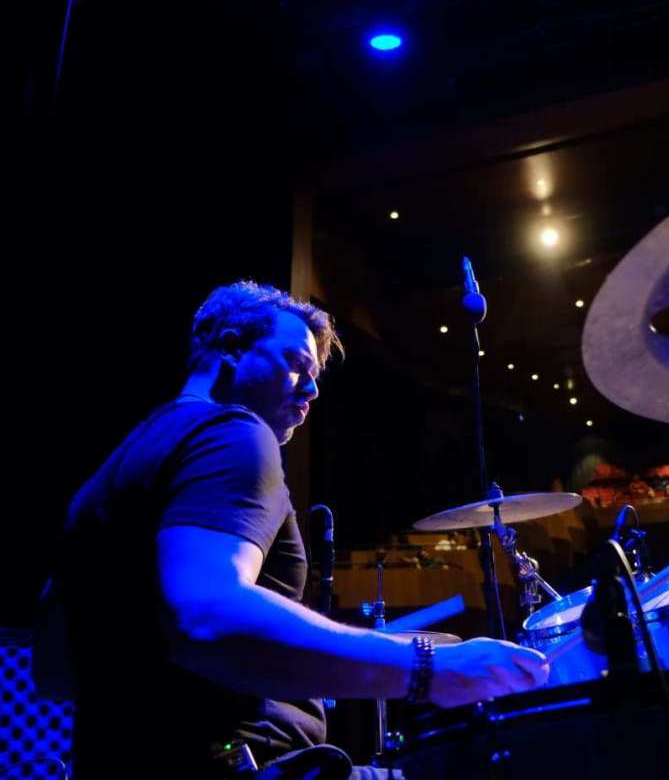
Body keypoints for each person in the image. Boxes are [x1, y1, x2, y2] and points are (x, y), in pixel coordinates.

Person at [48, 281, 549, 779]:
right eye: (296, 364)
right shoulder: (232, 434)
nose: (312, 390)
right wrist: (429, 669)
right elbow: (205, 616)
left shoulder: (117, 471)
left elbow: (53, 668)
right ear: (231, 347)